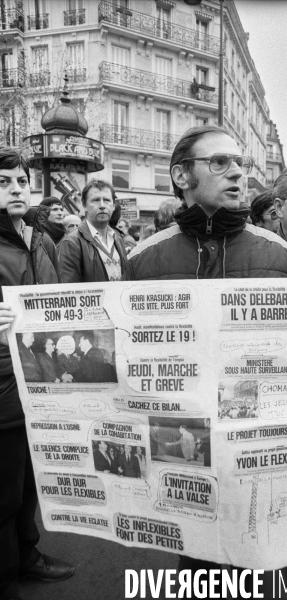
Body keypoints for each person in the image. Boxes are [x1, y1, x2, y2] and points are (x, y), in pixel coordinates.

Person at [0, 147, 74, 599]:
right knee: (3, 495)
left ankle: (28, 556)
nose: (15, 190)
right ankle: (5, 577)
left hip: (39, 384)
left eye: (21, 182)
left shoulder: (40, 238)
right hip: (4, 387)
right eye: (4, 182)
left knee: (29, 485)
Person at [127, 125, 287, 280]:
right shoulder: (140, 260)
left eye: (239, 163)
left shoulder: (281, 254)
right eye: (219, 162)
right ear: (181, 176)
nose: (237, 172)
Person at [58, 179, 129, 283]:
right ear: (84, 205)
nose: (102, 205)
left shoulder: (117, 238)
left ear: (113, 206)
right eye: (96, 200)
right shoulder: (71, 243)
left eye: (107, 200)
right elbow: (70, 292)